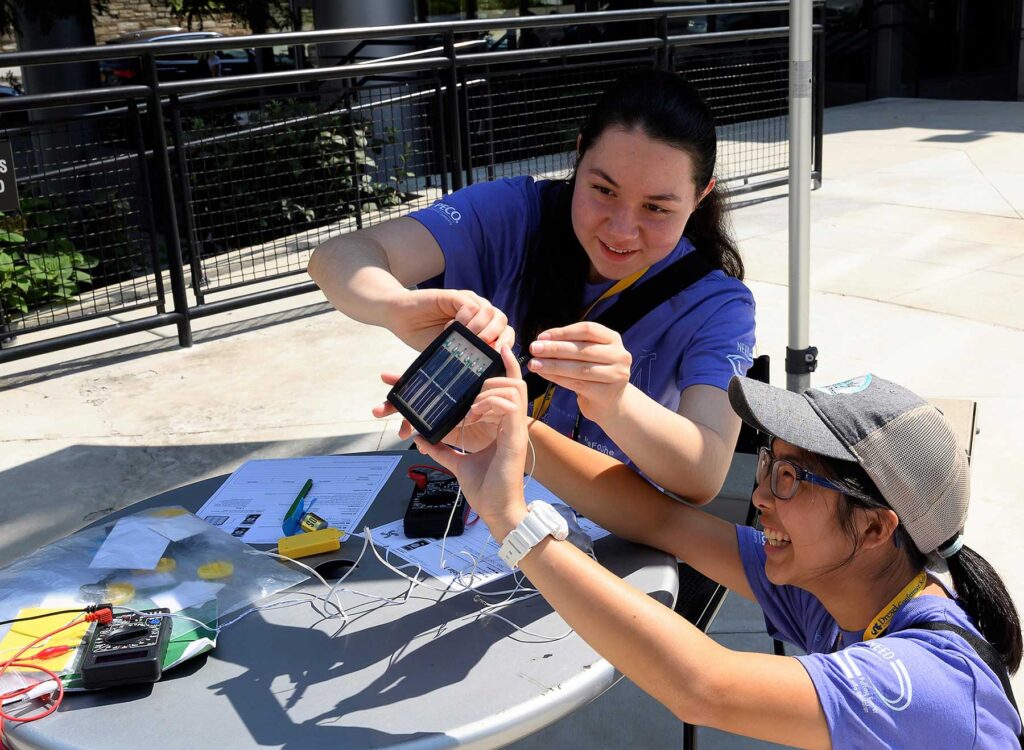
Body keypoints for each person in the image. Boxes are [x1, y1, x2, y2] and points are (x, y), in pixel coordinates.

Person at [413, 355, 1023, 747]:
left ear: (873, 529)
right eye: (767, 462)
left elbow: (705, 686)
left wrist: (513, 523)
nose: (759, 495)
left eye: (791, 476)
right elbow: (665, 521)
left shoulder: (923, 682)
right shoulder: (850, 588)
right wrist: (515, 434)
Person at [307, 69, 756, 503]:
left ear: (700, 197)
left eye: (656, 209)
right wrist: (395, 305)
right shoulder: (513, 213)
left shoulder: (717, 304)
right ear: (579, 155)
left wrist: (616, 402)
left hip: (604, 539)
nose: (621, 230)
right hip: (464, 507)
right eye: (603, 190)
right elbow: (337, 257)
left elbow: (704, 474)